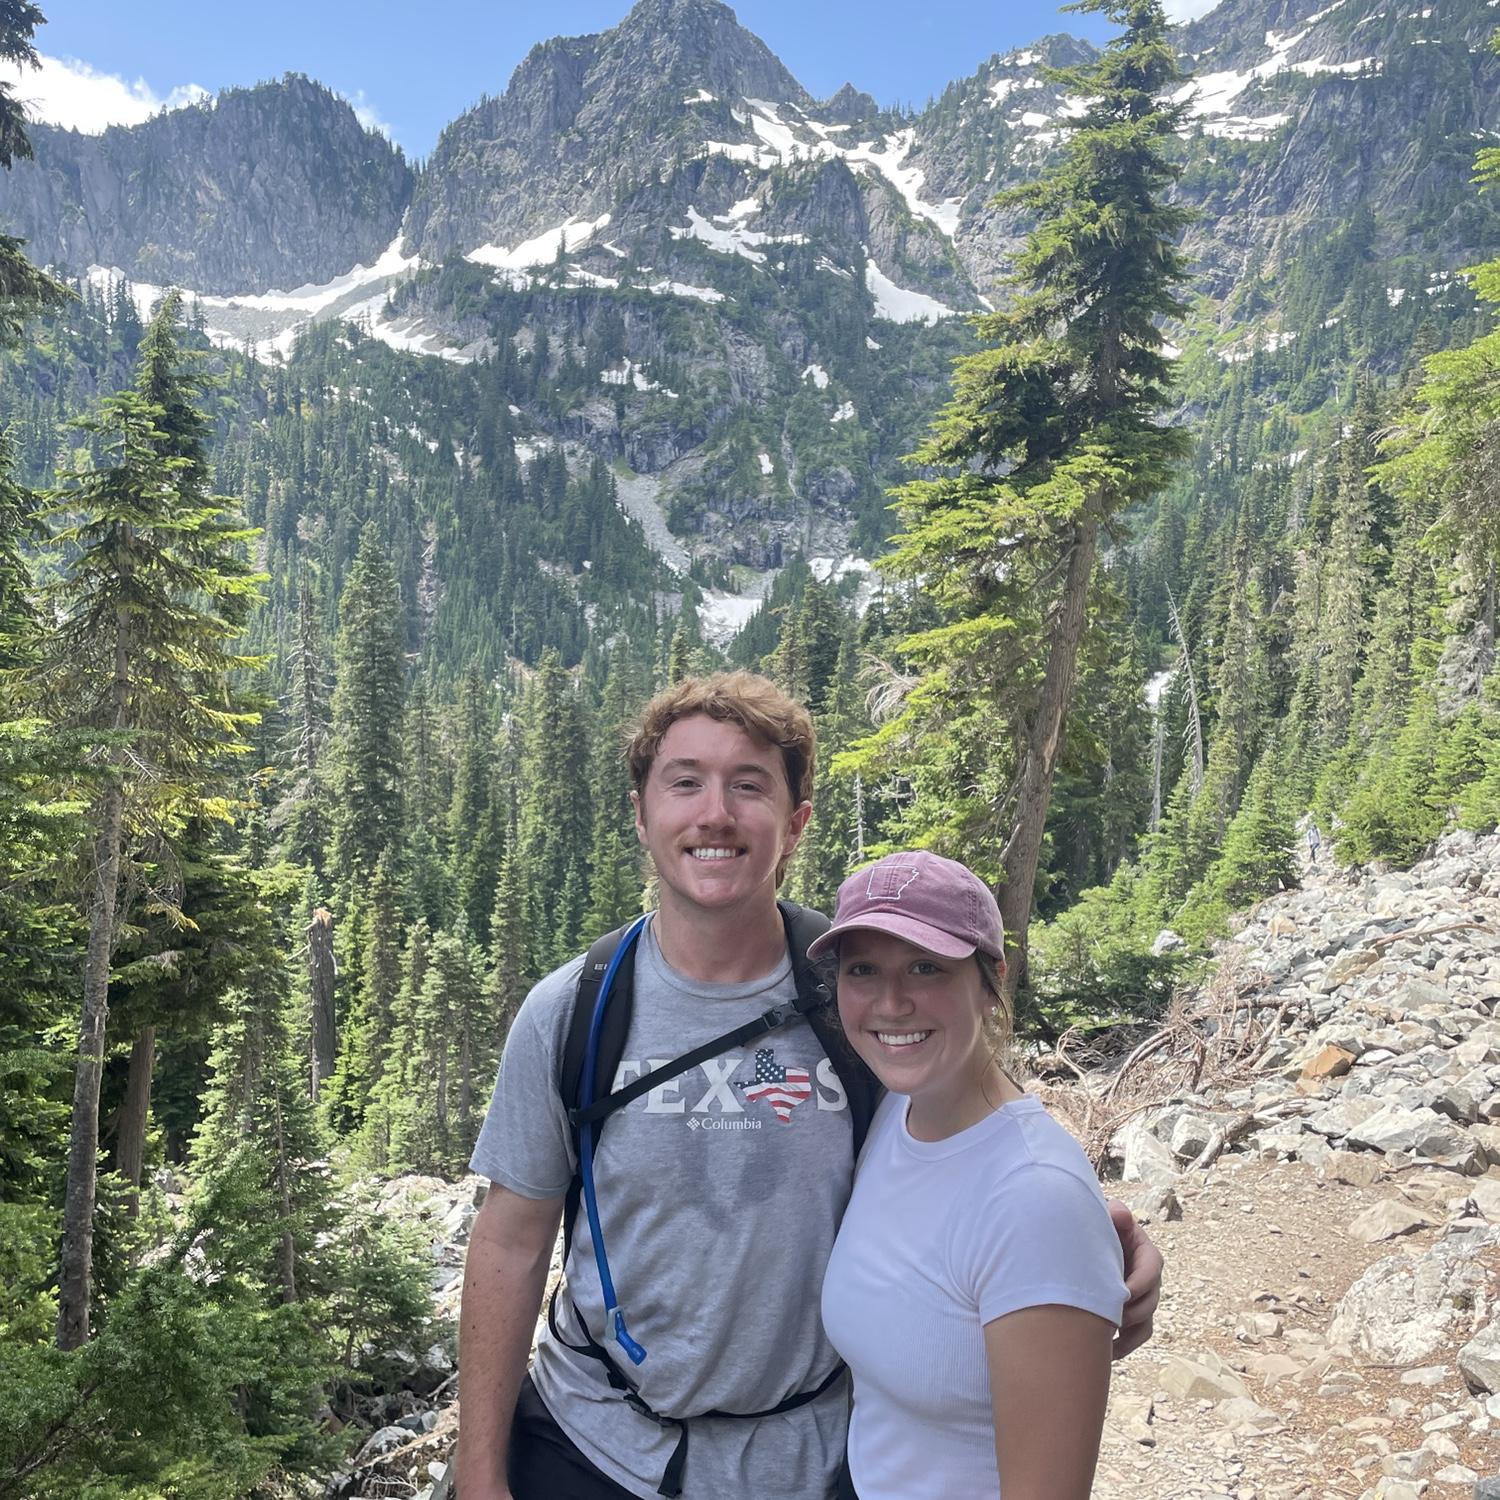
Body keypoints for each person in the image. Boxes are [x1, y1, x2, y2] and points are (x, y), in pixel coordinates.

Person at [455, 672, 1162, 1500]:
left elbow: (978, 1127)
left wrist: (1083, 1245)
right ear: (642, 814)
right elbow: (510, 1239)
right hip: (591, 1442)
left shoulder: (856, 991)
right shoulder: (573, 1010)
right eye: (685, 782)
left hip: (815, 1460)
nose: (714, 813)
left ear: (795, 825)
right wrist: (480, 1472)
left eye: (748, 785)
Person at [815, 851, 1125, 1500]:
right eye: (863, 970)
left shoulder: (1036, 1199)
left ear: (991, 984)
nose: (892, 1002)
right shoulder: (895, 1111)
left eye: (926, 967)